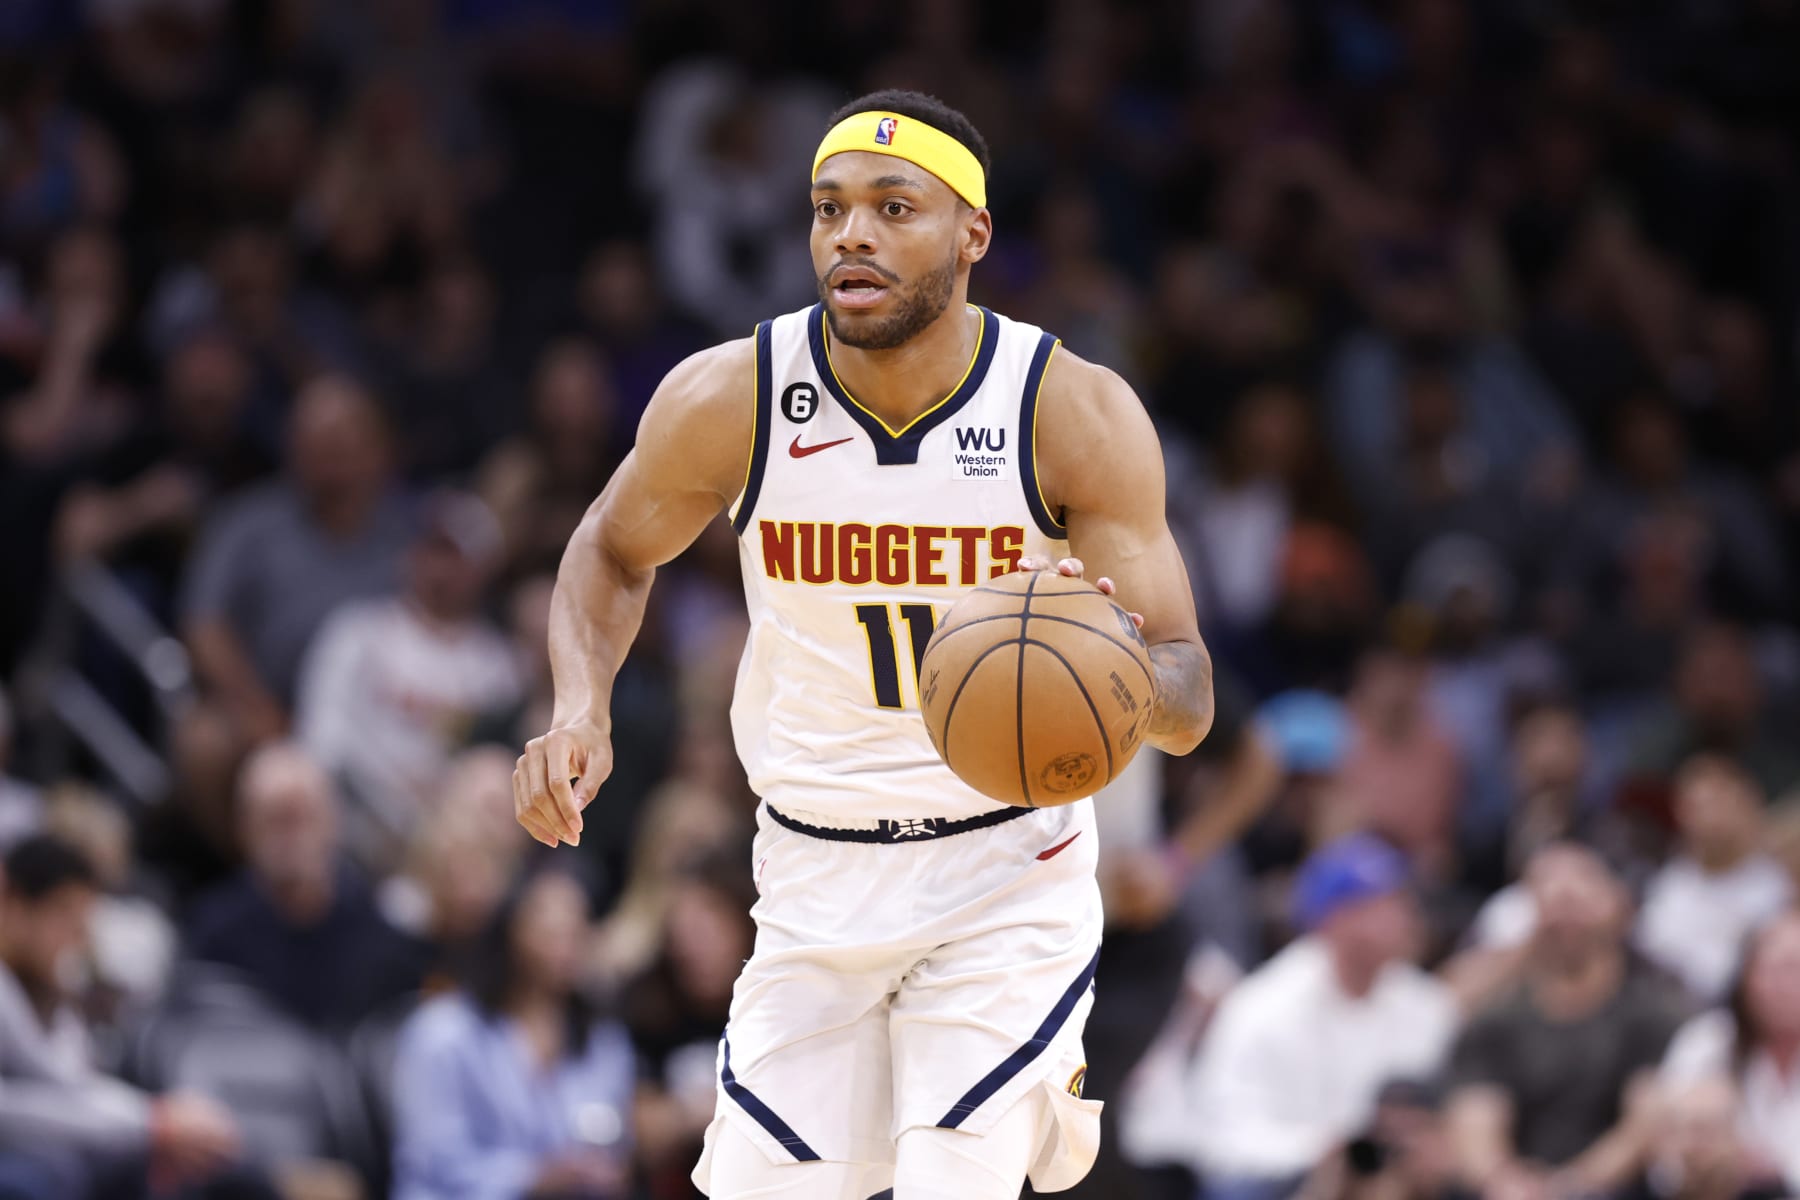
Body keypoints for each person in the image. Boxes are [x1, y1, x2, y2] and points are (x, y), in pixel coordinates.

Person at [513, 89, 1215, 1199]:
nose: (852, 234)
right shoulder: (735, 395)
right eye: (829, 207)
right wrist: (579, 708)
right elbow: (609, 547)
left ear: (972, 235)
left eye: (894, 208)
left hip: (1002, 872)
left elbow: (1188, 686)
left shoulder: (1066, 411)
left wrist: (1120, 675)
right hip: (812, 871)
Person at [1186, 834, 1460, 1198]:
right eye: (1380, 905)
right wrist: (1319, 1150)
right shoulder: (1262, 1007)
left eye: (1401, 902)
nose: (1401, 918)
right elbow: (1224, 1140)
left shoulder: (1425, 1004)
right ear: (1334, 918)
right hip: (1286, 1180)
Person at [0, 834, 256, 1200]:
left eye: (82, 919)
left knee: (188, 1168)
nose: (76, 936)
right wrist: (152, 1123)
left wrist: (159, 1121)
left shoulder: (55, 992)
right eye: (63, 914)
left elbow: (74, 1086)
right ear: (11, 904)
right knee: (45, 1177)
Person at [1446, 843, 1689, 1198]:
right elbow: (1476, 1120)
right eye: (1553, 901)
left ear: (1619, 904)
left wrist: (1570, 1187)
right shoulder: (1496, 1020)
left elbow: (1644, 1125)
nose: (1566, 916)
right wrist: (1504, 1182)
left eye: (1578, 900)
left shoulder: (1656, 1010)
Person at [296, 489, 521, 867]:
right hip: (354, 828)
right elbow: (321, 742)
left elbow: (497, 769)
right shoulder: (357, 632)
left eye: (455, 555)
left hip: (451, 842)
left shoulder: (498, 665)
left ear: (483, 569)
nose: (441, 567)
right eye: (432, 549)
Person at [390, 867, 637, 1200]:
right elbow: (432, 1160)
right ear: (510, 930)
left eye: (576, 931)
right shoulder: (442, 1033)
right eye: (550, 931)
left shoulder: (603, 1038)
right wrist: (536, 1177)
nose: (564, 946)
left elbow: (614, 1142)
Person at [184, 741, 422, 1031]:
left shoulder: (379, 932)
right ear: (244, 827)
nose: (291, 837)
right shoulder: (213, 931)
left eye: (302, 818)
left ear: (333, 821)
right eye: (275, 819)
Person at [1659, 910, 1800, 1195]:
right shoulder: (1708, 1043)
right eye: (1773, 970)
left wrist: (1779, 1173)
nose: (1785, 986)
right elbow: (1664, 1164)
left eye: (1795, 970)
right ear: (1745, 977)